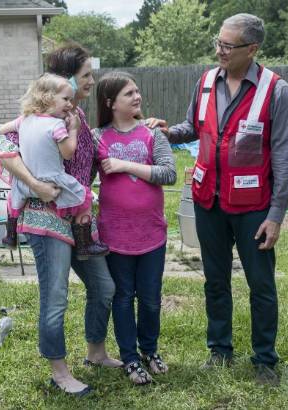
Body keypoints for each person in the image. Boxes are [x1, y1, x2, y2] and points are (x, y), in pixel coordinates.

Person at [149, 13, 288, 386]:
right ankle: (219, 350)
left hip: (253, 208)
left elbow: (284, 157)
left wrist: (276, 215)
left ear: (253, 49)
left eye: (227, 46)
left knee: (260, 285)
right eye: (218, 42)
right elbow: (194, 128)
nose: (219, 51)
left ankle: (264, 359)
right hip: (208, 202)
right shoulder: (204, 82)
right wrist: (169, 131)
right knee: (215, 281)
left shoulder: (275, 91)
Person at [0, 44, 120, 396]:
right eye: (86, 75)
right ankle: (59, 372)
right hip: (46, 219)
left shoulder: (73, 115)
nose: (92, 80)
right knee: (55, 296)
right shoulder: (42, 117)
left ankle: (95, 352)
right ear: (66, 80)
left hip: (78, 222)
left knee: (104, 288)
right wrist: (34, 184)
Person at [93, 72, 176, 385]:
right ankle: (129, 358)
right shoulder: (97, 136)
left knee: (151, 298)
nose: (137, 97)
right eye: (129, 93)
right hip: (116, 236)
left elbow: (169, 174)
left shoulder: (152, 133)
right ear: (111, 102)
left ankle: (150, 351)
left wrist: (126, 165)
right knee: (124, 297)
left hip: (152, 233)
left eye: (137, 91)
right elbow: (81, 176)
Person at [0, 73, 109, 259]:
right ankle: (84, 245)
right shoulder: (56, 125)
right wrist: (73, 130)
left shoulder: (24, 120)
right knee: (84, 197)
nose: (69, 104)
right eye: (65, 99)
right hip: (54, 181)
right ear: (47, 98)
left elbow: (2, 130)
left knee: (12, 201)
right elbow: (68, 152)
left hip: (25, 183)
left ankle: (10, 236)